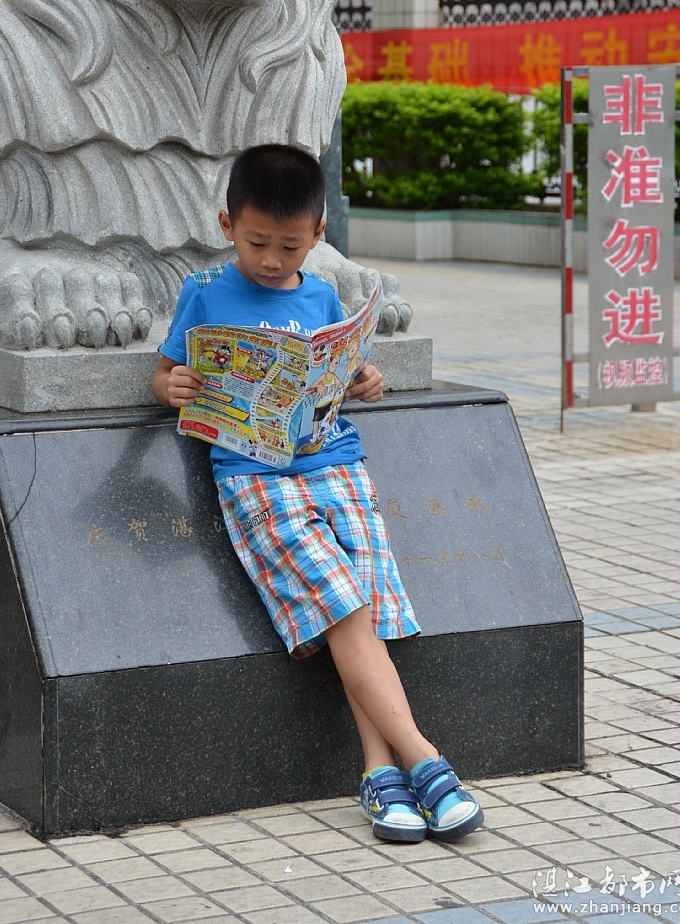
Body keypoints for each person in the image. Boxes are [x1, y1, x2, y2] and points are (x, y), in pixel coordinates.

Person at [151, 144, 484, 844]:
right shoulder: (204, 292)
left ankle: (379, 774)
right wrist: (171, 386)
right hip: (255, 476)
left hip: (337, 463)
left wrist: (366, 380)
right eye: (257, 243)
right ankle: (424, 759)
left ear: (319, 233)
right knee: (345, 607)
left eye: (290, 246)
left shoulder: (322, 295)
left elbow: (345, 370)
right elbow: (166, 374)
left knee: (360, 611)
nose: (272, 260)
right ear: (226, 224)